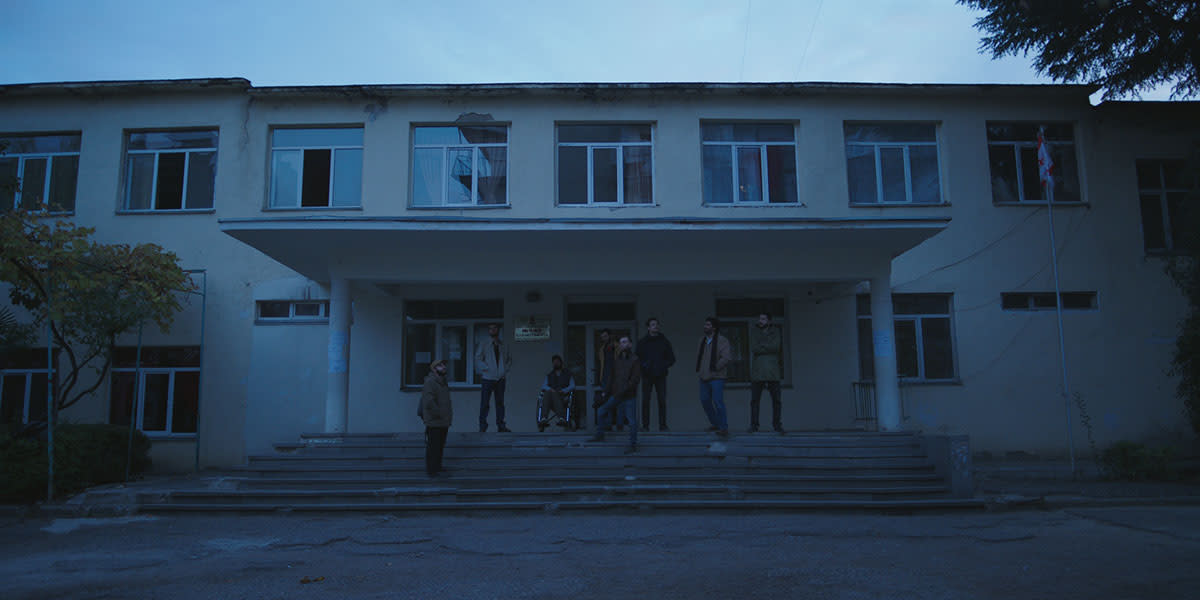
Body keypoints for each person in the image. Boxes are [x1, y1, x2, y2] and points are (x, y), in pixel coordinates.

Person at [589, 335, 641, 453]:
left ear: (630, 344)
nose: (623, 344)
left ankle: (633, 444)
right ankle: (600, 435)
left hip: (629, 396)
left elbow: (635, 380)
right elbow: (611, 378)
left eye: (625, 342)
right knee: (601, 411)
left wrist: (621, 391)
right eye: (621, 342)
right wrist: (605, 392)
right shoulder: (617, 360)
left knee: (632, 421)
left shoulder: (635, 360)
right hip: (617, 395)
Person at [636, 317, 676, 431]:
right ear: (648, 327)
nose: (656, 326)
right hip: (647, 375)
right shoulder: (642, 342)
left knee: (662, 400)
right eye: (653, 324)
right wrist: (644, 366)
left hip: (660, 375)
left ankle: (663, 425)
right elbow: (637, 359)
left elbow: (672, 359)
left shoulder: (664, 341)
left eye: (657, 324)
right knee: (645, 401)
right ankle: (645, 426)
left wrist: (663, 365)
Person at [749, 312, 786, 434]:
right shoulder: (754, 332)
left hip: (772, 371)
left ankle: (777, 425)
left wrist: (762, 346)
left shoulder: (776, 331)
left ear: (769, 321)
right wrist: (767, 346)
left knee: (776, 400)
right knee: (755, 401)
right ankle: (754, 425)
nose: (760, 321)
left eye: (763, 319)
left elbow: (776, 347)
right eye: (760, 318)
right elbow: (754, 347)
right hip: (758, 371)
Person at [695, 316, 731, 438]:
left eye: (708, 325)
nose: (705, 327)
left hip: (717, 377)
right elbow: (700, 357)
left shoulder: (722, 340)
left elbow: (726, 357)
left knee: (718, 402)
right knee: (705, 401)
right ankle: (716, 424)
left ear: (714, 328)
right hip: (704, 377)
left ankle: (723, 428)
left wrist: (715, 367)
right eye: (705, 324)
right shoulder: (702, 340)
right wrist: (701, 371)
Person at [474, 323, 512, 432]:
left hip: (500, 378)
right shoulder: (484, 343)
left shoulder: (503, 344)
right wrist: (486, 368)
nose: (493, 330)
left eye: (495, 328)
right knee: (485, 403)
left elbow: (509, 359)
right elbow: (477, 358)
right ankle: (482, 426)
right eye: (490, 328)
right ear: (488, 331)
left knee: (500, 403)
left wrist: (504, 370)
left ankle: (501, 425)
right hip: (487, 378)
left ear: (498, 330)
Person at [418, 358, 452, 478]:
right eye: (440, 365)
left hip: (443, 421)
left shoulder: (443, 382)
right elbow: (429, 402)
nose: (444, 367)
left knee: (440, 445)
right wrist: (439, 414)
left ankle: (437, 467)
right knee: (433, 446)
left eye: (444, 365)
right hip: (434, 421)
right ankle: (432, 470)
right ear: (434, 369)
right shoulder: (430, 382)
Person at [540, 354, 576, 427]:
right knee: (548, 393)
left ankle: (561, 417)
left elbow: (572, 386)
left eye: (557, 362)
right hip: (551, 397)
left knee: (551, 393)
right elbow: (544, 386)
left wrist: (564, 390)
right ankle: (544, 418)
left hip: (563, 396)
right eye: (554, 362)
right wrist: (551, 389)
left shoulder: (568, 374)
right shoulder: (549, 375)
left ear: (561, 363)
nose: (556, 363)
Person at [593, 328, 618, 429]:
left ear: (610, 336)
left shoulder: (617, 346)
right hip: (605, 377)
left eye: (605, 336)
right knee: (606, 401)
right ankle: (608, 424)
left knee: (616, 400)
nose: (604, 338)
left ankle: (618, 424)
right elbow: (600, 364)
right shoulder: (602, 349)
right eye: (602, 337)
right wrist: (599, 378)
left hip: (616, 377)